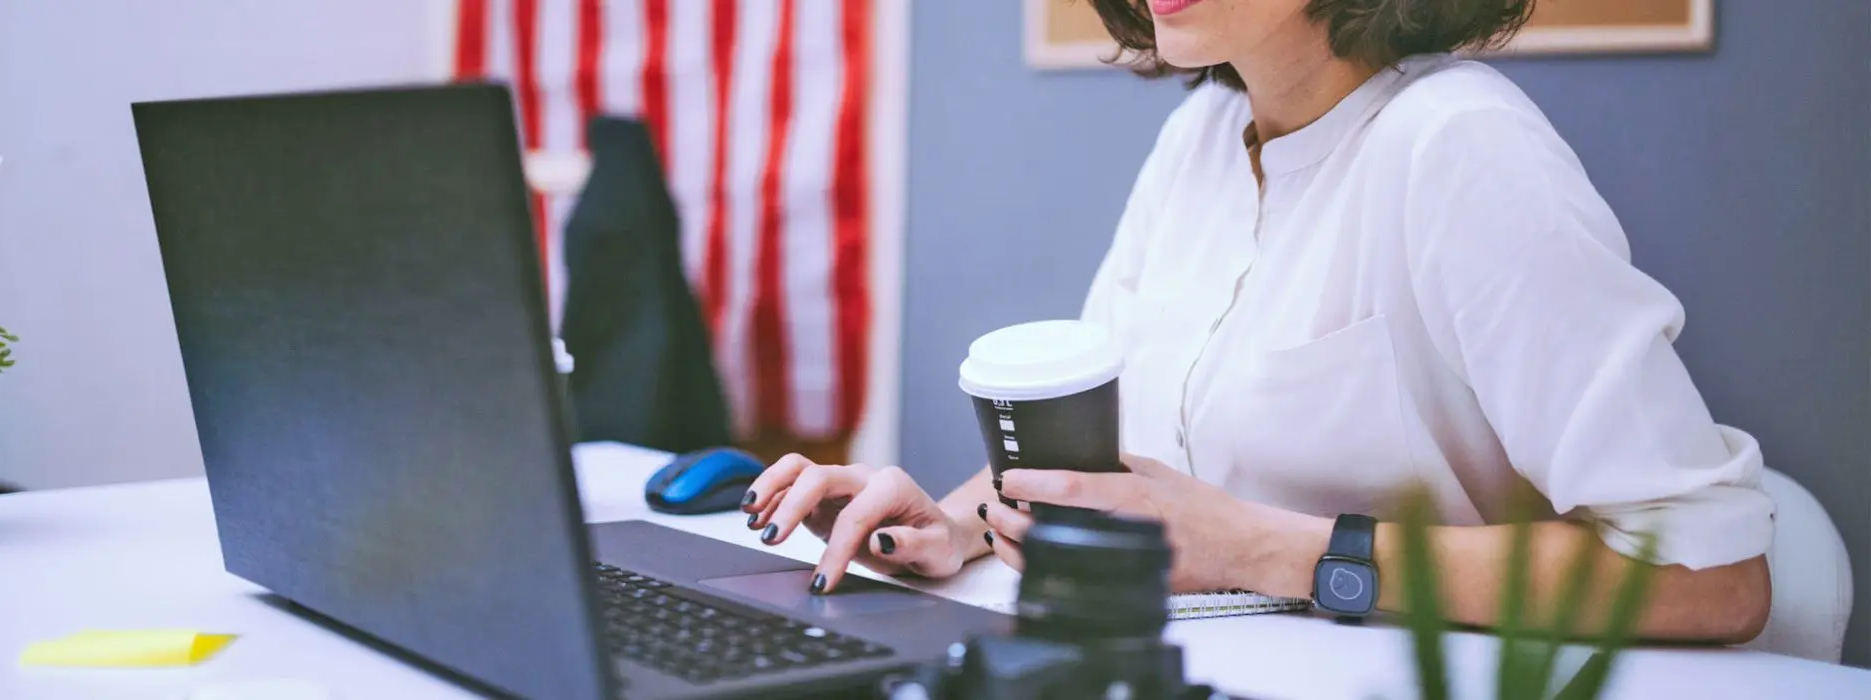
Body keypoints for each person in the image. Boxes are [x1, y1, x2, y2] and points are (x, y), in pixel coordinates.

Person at [741, 0, 1773, 641]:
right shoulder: (1197, 138)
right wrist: (952, 526)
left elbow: (1716, 579)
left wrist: (1260, 550)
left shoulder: (1461, 148)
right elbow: (1125, 453)